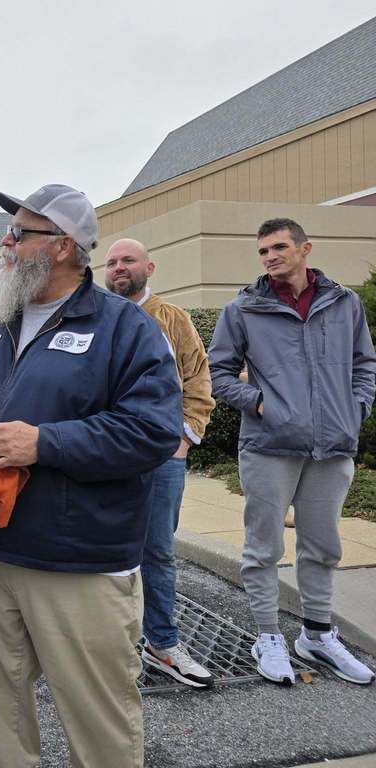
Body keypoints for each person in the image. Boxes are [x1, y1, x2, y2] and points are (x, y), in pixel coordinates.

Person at [0, 184, 182, 768]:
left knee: (99, 723)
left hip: (78, 561)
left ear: (63, 247)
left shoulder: (124, 328)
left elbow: (153, 430)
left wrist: (44, 442)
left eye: (20, 233)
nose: (6, 243)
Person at [208, 217, 376, 686]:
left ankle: (317, 636)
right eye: (263, 251)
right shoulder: (243, 309)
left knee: (323, 547)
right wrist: (260, 402)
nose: (270, 257)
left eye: (279, 247)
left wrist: (356, 408)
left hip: (333, 446)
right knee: (263, 548)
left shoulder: (345, 304)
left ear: (305, 249)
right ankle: (267, 636)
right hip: (269, 446)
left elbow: (365, 363)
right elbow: (218, 373)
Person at [105, 238, 216, 688]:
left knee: (157, 552)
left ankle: (162, 643)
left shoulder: (172, 320)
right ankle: (112, 645)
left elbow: (198, 377)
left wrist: (185, 437)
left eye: (127, 260)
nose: (118, 268)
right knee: (104, 552)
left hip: (161, 458)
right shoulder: (98, 319)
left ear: (149, 266)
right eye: (111, 262)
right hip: (107, 453)